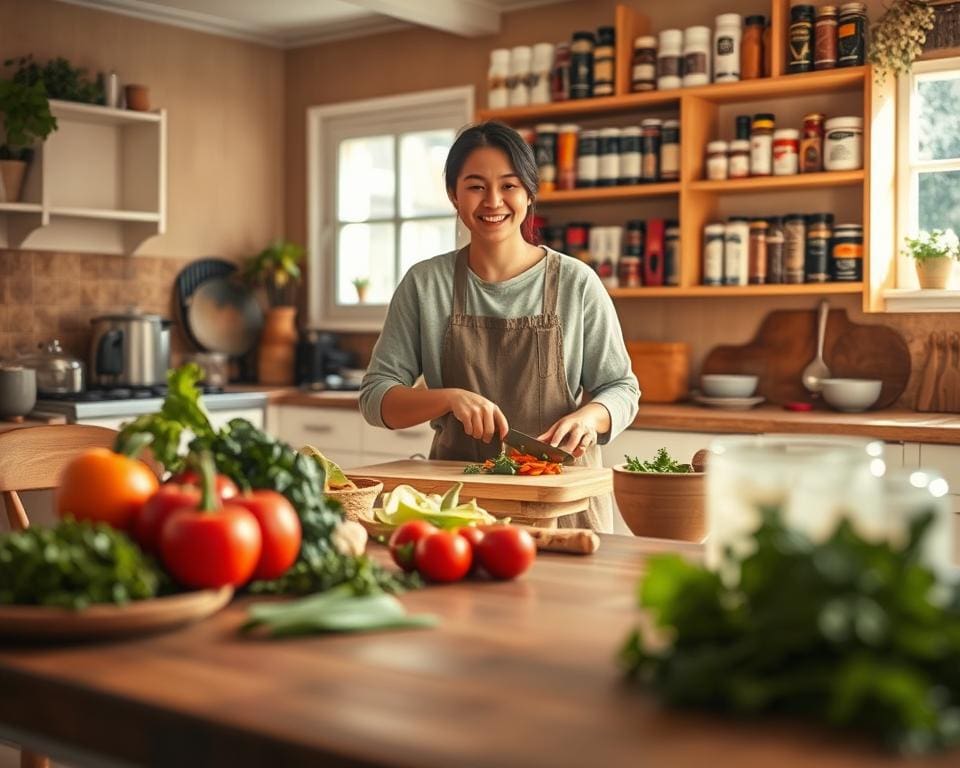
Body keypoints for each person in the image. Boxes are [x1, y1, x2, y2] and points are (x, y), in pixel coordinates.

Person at [359, 121, 640, 532]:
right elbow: (375, 397)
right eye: (475, 186)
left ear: (529, 193)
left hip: (561, 509)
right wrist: (448, 399)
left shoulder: (576, 283)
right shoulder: (425, 284)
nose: (493, 201)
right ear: (454, 194)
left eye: (508, 185)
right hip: (458, 510)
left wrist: (589, 418)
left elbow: (622, 387)